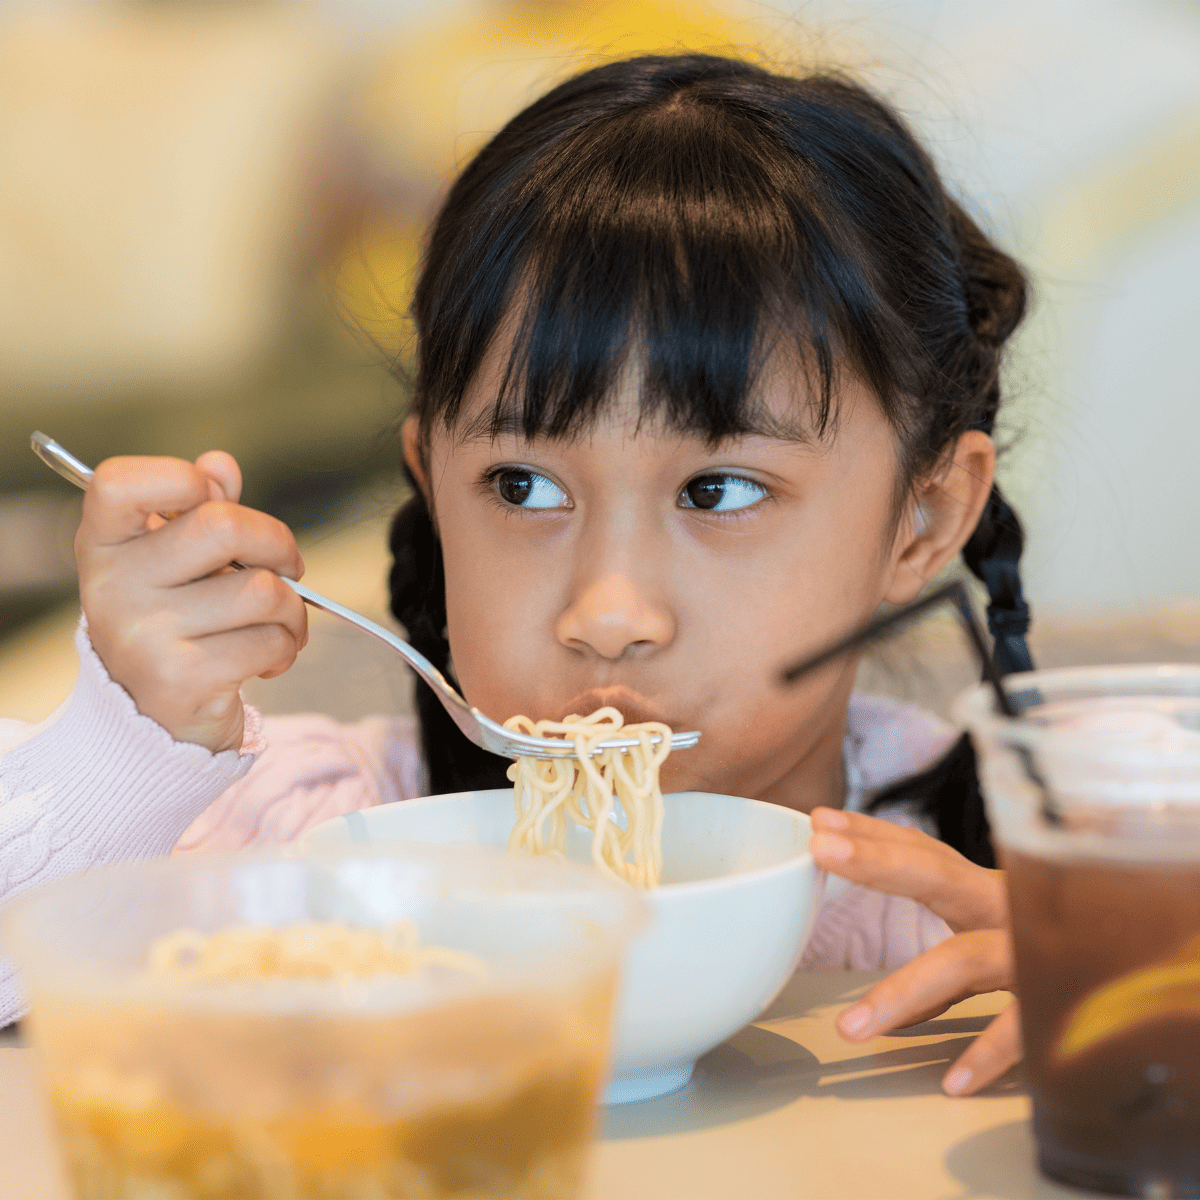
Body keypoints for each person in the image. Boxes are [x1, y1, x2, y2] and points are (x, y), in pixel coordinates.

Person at [0, 54, 1023, 1088]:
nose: (608, 613)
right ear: (433, 490)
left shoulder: (1021, 863)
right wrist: (125, 746)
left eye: (716, 492)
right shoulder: (315, 838)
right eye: (524, 487)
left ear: (923, 520)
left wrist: (1142, 994)